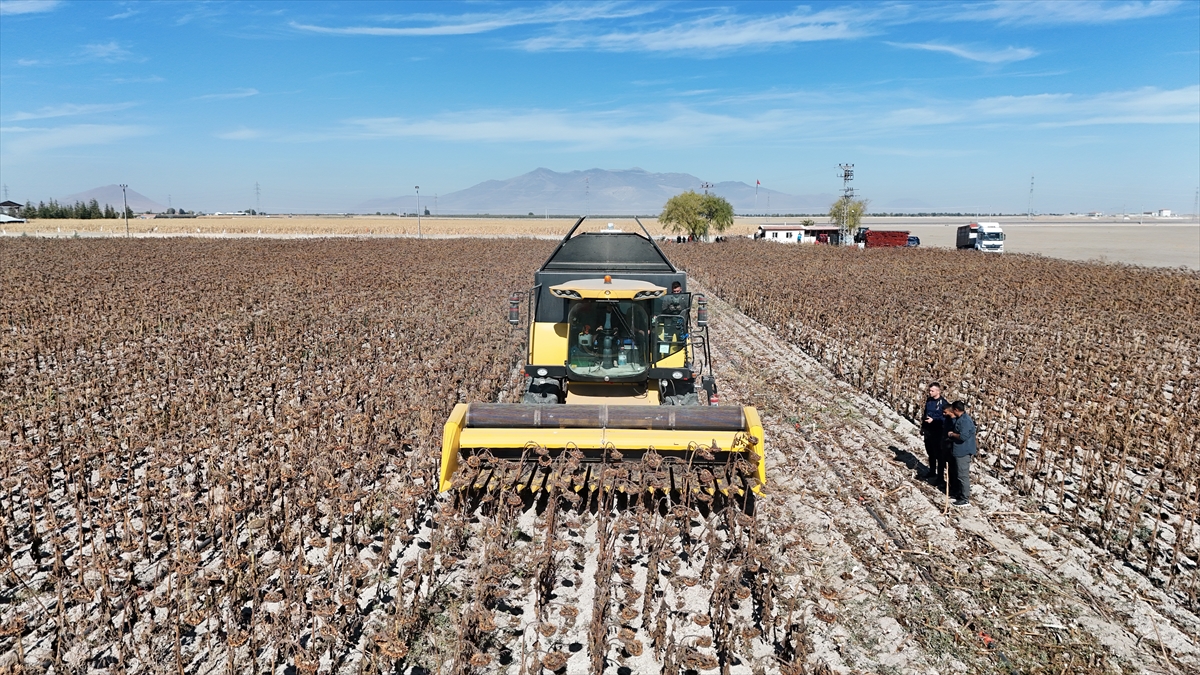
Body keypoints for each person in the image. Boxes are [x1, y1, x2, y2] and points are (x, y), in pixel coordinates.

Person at [945, 401, 977, 506]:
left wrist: (952, 434)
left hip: (963, 451)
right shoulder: (960, 419)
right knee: (957, 473)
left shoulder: (965, 421)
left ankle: (965, 498)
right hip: (958, 451)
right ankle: (958, 493)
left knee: (963, 475)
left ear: (956, 410)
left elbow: (963, 436)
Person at [920, 382, 947, 481]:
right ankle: (932, 471)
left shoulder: (943, 403)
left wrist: (934, 420)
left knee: (939, 455)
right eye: (929, 390)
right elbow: (925, 413)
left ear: (938, 391)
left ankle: (940, 477)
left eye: (932, 391)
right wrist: (923, 427)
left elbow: (945, 418)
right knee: (930, 452)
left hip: (938, 432)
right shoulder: (929, 401)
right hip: (928, 430)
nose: (930, 392)